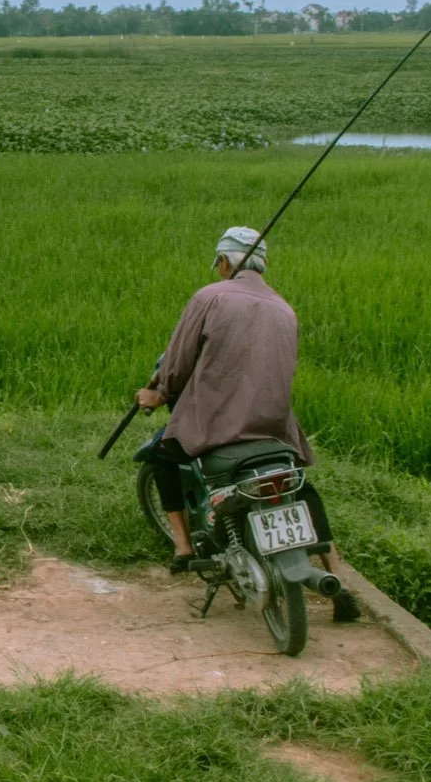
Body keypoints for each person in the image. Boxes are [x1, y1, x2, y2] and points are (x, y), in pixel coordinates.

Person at [135, 226, 359, 621]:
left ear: (224, 263)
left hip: (216, 426)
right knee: (301, 486)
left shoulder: (210, 297)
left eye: (219, 263)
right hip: (275, 428)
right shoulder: (284, 309)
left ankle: (184, 547)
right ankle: (337, 576)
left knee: (159, 457)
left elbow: (178, 361)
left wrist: (159, 393)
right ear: (263, 263)